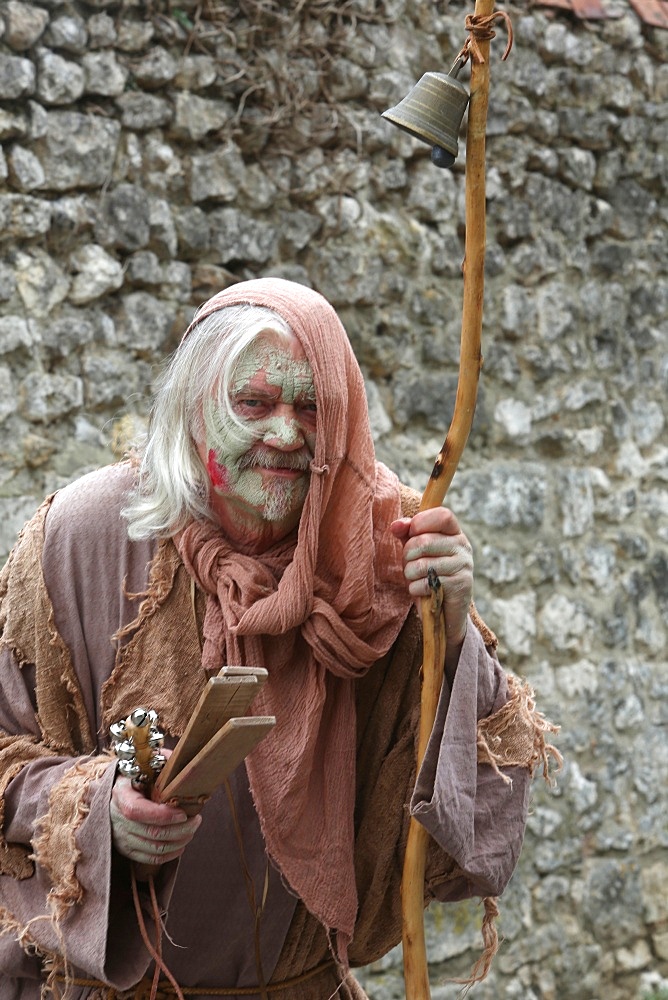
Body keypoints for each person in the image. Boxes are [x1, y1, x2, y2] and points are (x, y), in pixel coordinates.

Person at [0, 278, 558, 1000]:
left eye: (312, 407)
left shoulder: (380, 552)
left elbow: (473, 794)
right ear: (196, 409)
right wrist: (94, 810)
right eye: (255, 403)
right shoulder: (82, 537)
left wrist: (451, 631)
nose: (287, 434)